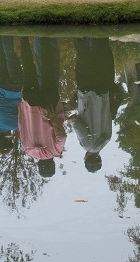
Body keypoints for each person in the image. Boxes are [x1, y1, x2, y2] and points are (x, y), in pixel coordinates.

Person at [71, 36, 121, 173]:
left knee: (98, 60)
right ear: (86, 158)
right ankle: (82, 33)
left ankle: (99, 36)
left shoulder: (107, 138)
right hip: (87, 95)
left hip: (103, 93)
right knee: (83, 58)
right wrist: (70, 118)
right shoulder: (87, 145)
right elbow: (77, 124)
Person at [18, 35, 66, 176]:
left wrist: (54, 119)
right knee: (28, 67)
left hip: (47, 105)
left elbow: (61, 136)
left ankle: (42, 37)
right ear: (39, 165)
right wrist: (22, 106)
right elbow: (22, 126)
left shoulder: (56, 151)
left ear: (52, 164)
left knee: (47, 68)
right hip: (30, 103)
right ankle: (23, 38)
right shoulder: (27, 149)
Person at [0, 35, 23, 151]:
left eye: (10, 140)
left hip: (14, 89)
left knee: (10, 57)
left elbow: (23, 111)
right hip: (1, 87)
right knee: (0, 57)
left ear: (7, 139)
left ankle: (7, 32)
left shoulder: (13, 126)